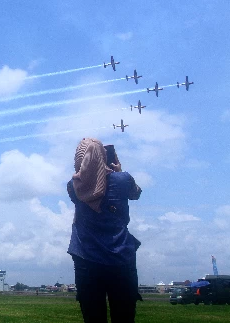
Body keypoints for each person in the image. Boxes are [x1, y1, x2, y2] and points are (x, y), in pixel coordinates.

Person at [67, 138, 142, 323]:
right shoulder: (123, 179)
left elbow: (88, 187)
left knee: (93, 317)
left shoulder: (73, 185)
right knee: (124, 316)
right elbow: (136, 193)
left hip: (86, 259)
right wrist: (118, 171)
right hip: (121, 257)